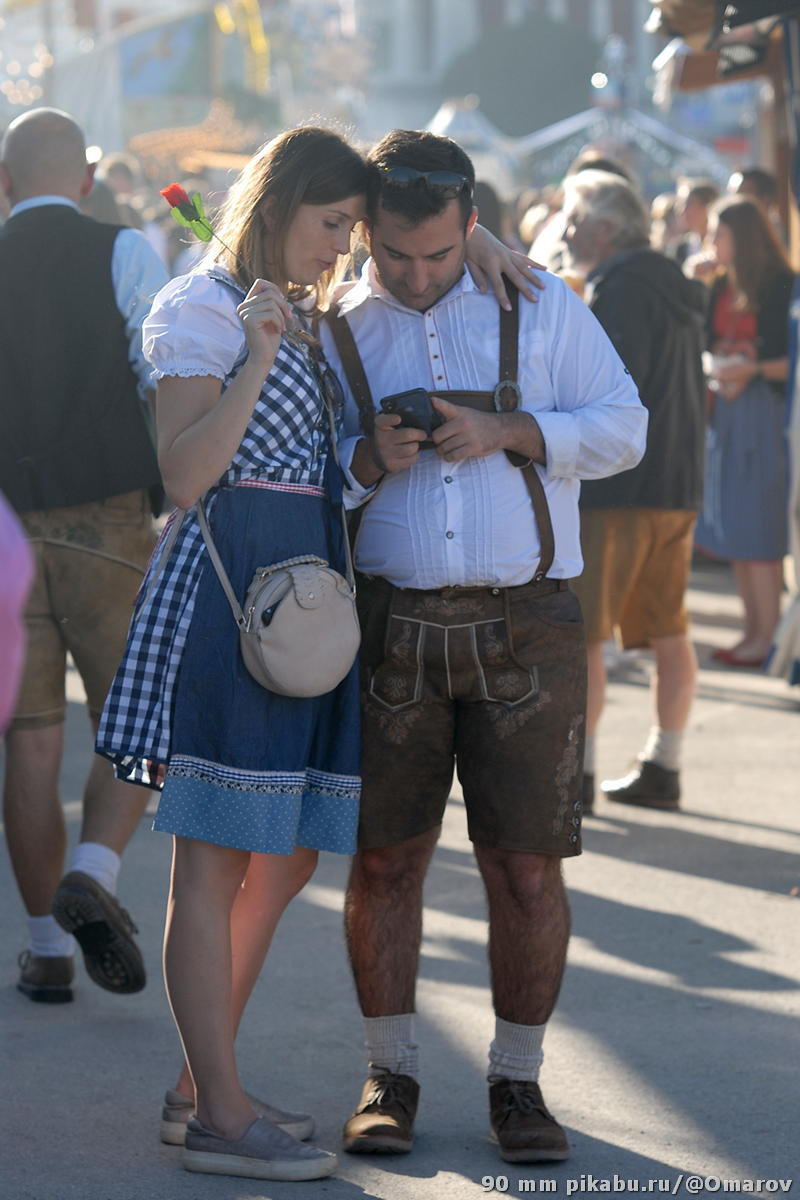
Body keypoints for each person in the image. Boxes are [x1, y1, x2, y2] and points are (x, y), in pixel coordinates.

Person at [94, 124, 541, 1183]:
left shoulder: (294, 308)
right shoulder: (202, 310)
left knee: (283, 853)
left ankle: (204, 1086)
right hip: (226, 604)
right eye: (331, 223)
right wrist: (255, 355)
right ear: (279, 202)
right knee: (210, 863)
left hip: (302, 599)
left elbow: (301, 470)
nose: (341, 247)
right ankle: (214, 1111)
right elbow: (189, 474)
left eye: (351, 229)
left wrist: (366, 458)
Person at [320, 129, 647, 1164]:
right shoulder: (329, 322)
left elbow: (625, 425)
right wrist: (365, 457)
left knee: (526, 870)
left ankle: (517, 1083)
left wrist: (513, 432)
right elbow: (293, 474)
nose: (415, 279)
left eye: (438, 256)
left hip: (529, 622)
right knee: (383, 863)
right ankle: (391, 1072)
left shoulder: (541, 303)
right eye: (393, 257)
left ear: (472, 225)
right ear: (366, 232)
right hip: (385, 623)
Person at [0, 107, 167, 1005]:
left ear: (3, 181)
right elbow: (160, 376)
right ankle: (94, 869)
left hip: (3, 536)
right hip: (108, 526)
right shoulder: (125, 250)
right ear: (88, 178)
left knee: (29, 746)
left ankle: (45, 951)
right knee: (135, 726)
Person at [562, 170, 706, 812]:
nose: (564, 231)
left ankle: (579, 777)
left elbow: (612, 393)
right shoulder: (670, 283)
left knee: (584, 634)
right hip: (676, 483)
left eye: (573, 219)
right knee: (668, 630)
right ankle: (664, 764)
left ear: (603, 229)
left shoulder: (621, 290)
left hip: (620, 489)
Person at [695, 196, 793, 667]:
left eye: (719, 232)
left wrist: (749, 370)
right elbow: (705, 342)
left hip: (763, 414)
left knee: (760, 526)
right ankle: (753, 630)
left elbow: (791, 363)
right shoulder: (718, 283)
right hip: (726, 413)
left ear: (743, 236)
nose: (711, 242)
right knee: (735, 521)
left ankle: (767, 635)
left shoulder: (782, 284)